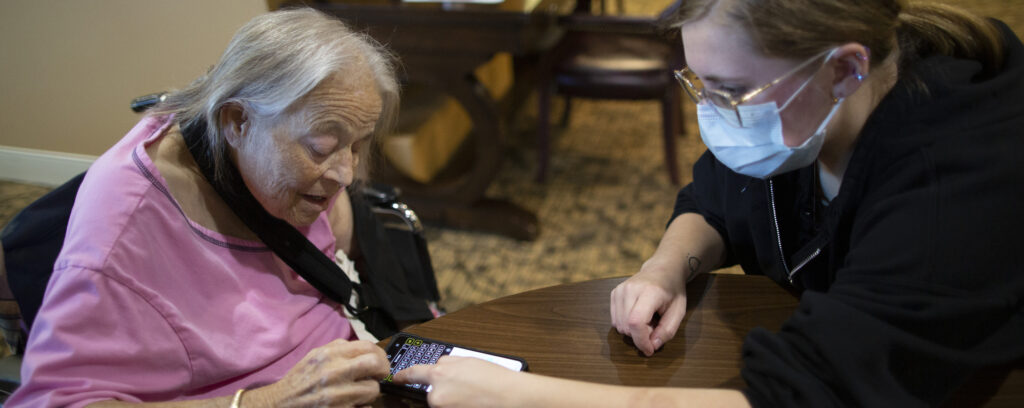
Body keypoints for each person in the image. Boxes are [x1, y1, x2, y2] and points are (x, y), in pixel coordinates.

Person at [393, 0, 1024, 406]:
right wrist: (666, 267)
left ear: (844, 69)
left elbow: (803, 397)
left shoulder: (954, 180)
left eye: (732, 91)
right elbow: (715, 200)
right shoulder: (805, 121)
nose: (717, 116)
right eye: (700, 85)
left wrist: (520, 397)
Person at [7, 8, 405, 407]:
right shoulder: (127, 226)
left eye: (357, 145)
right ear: (237, 121)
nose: (346, 174)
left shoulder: (281, 170)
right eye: (321, 147)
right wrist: (267, 401)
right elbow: (52, 401)